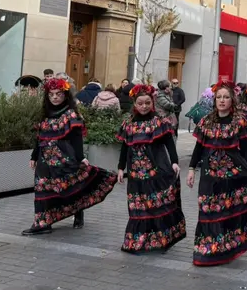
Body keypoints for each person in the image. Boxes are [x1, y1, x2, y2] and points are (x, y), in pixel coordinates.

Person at [22, 78, 117, 235]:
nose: (54, 97)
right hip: (44, 158)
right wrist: (34, 156)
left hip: (64, 156)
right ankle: (42, 223)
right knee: (42, 188)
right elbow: (39, 138)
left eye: (58, 94)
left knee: (68, 185)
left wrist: (80, 157)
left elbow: (76, 139)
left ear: (65, 95)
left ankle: (78, 210)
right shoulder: (44, 115)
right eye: (51, 94)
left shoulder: (71, 115)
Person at [186, 81, 247, 266]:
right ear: (214, 100)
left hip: (231, 173)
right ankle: (206, 249)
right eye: (219, 97)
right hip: (209, 174)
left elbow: (246, 150)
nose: (222, 100)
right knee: (207, 209)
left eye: (226, 97)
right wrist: (191, 169)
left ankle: (223, 248)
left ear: (232, 100)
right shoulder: (206, 121)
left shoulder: (239, 122)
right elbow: (198, 148)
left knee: (226, 210)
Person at [117, 84, 186, 253]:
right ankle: (137, 240)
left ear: (152, 102)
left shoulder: (159, 121)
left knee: (157, 204)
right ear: (135, 104)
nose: (144, 106)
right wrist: (120, 168)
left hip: (157, 171)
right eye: (140, 103)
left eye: (147, 103)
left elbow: (169, 143)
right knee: (138, 206)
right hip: (135, 174)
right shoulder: (129, 124)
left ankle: (160, 240)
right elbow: (125, 147)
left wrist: (174, 162)